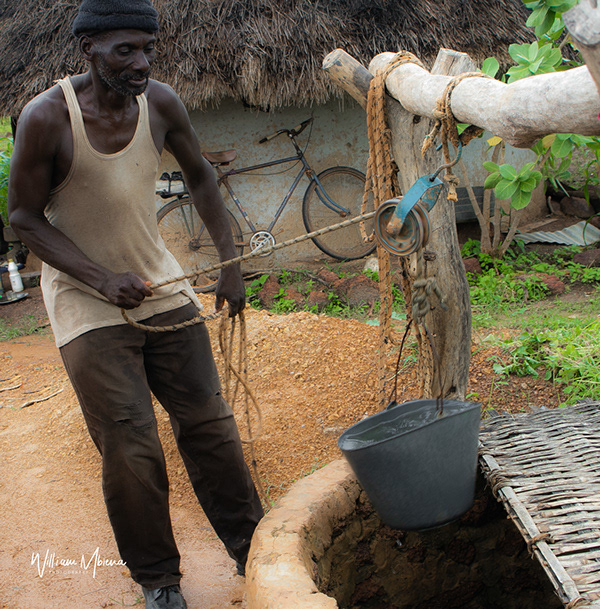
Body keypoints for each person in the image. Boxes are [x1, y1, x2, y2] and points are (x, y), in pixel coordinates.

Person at [7, 1, 264, 607]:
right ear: (88, 50)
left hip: (161, 286)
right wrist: (99, 277)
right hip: (85, 300)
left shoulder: (162, 103)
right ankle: (159, 581)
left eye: (147, 48)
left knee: (209, 425)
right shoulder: (47, 118)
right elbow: (22, 217)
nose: (141, 62)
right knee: (131, 443)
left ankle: (252, 549)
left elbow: (202, 175)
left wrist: (231, 265)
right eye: (125, 50)